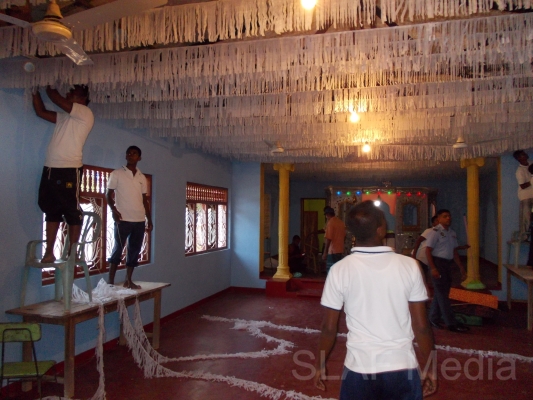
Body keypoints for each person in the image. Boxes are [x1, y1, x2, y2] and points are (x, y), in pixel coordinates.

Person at [314, 201, 437, 399]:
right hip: (401, 367)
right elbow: (421, 327)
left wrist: (319, 364)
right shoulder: (410, 266)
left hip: (358, 369)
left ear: (352, 232)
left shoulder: (339, 270)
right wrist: (431, 367)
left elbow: (329, 328)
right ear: (381, 229)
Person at [32, 85, 94, 263]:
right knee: (51, 210)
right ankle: (49, 253)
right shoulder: (65, 117)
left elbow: (54, 97)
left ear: (82, 98)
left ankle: (71, 254)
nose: (67, 94)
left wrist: (45, 81)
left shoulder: (85, 113)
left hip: (69, 169)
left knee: (72, 211)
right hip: (50, 168)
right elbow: (41, 112)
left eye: (71, 93)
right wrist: (33, 90)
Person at [106, 146, 153, 289]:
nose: (131, 155)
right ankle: (110, 283)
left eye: (134, 153)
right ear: (126, 156)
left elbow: (144, 200)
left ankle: (128, 280)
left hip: (139, 220)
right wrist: (113, 210)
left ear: (139, 158)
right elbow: (108, 194)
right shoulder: (117, 173)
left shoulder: (141, 177)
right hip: (123, 219)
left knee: (134, 251)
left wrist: (149, 219)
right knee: (118, 249)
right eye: (129, 153)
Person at [425, 209, 469, 333]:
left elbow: (454, 251)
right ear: (438, 218)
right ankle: (451, 323)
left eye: (449, 216)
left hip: (447, 264)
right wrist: (433, 268)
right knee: (442, 294)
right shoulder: (435, 232)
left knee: (441, 293)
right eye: (445, 216)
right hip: (438, 263)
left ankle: (433, 318)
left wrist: (461, 268)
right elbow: (428, 250)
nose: (448, 218)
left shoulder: (452, 233)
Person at [513, 150, 533, 236]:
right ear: (519, 158)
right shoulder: (519, 171)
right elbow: (522, 186)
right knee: (526, 217)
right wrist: (531, 181)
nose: (525, 155)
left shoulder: (531, 163)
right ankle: (524, 236)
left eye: (524, 153)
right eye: (523, 155)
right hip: (525, 197)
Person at [321, 207, 346, 273]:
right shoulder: (341, 223)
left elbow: (328, 238)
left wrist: (325, 252)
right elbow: (344, 236)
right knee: (338, 271)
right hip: (340, 250)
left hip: (332, 251)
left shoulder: (330, 223)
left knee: (331, 271)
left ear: (327, 214)